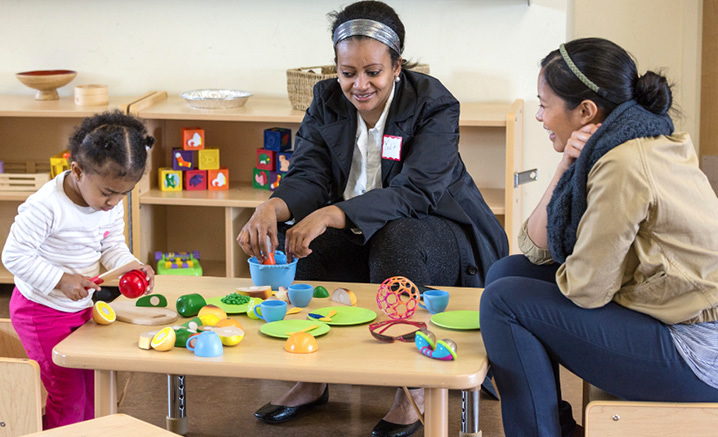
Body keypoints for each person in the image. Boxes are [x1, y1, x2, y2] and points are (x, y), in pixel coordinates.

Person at [237, 1, 507, 435]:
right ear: (336, 69)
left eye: (373, 72)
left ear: (397, 65)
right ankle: (312, 377)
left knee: (395, 241)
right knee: (301, 241)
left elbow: (416, 193)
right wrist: (272, 206)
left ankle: (411, 387)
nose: (359, 84)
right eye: (347, 73)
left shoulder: (435, 103)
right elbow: (308, 174)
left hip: (437, 231)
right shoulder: (326, 100)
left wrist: (333, 212)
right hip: (362, 228)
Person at [479, 37, 718, 437]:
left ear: (586, 111)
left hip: (695, 353)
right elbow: (535, 249)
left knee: (503, 302)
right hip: (667, 316)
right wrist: (563, 167)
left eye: (543, 104)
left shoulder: (623, 164)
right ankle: (553, 425)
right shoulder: (633, 140)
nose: (539, 116)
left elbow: (587, 289)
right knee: (506, 273)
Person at [2, 110, 156, 430]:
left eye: (123, 194)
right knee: (67, 393)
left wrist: (132, 266)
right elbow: (14, 255)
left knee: (92, 388)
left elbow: (112, 244)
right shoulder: (46, 206)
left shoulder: (107, 203)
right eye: (107, 193)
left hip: (79, 307)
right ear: (77, 170)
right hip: (40, 311)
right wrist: (60, 279)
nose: (114, 202)